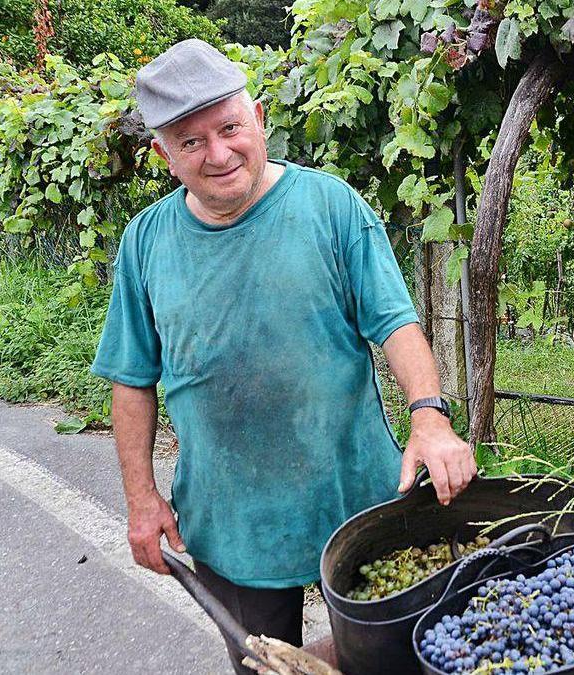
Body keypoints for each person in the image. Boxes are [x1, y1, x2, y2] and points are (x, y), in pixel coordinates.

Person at [89, 38, 477, 673]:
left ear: (260, 118)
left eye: (229, 127)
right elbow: (132, 379)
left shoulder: (330, 207)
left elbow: (396, 322)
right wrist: (142, 498)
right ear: (164, 155)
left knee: (394, 658)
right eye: (191, 142)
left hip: (355, 501)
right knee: (268, 666)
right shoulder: (146, 242)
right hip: (232, 519)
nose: (218, 154)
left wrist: (430, 417)